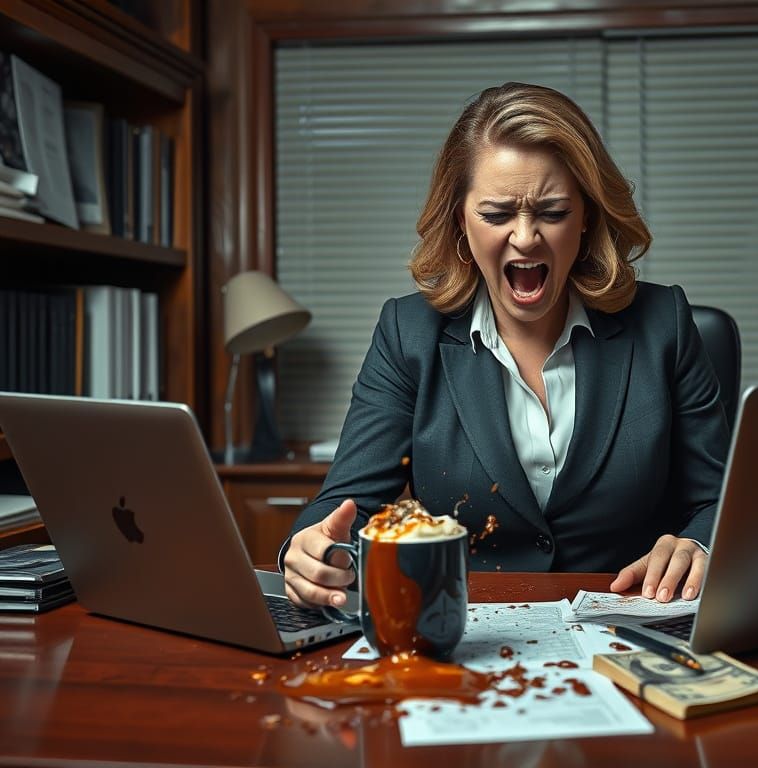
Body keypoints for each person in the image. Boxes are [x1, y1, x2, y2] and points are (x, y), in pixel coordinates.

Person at [281, 82, 730, 615]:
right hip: (469, 636)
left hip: (632, 633)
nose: (525, 238)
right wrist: (312, 551)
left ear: (586, 218)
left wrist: (699, 543)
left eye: (553, 212)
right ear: (460, 224)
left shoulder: (664, 325)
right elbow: (342, 509)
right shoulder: (408, 334)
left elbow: (724, 503)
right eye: (496, 215)